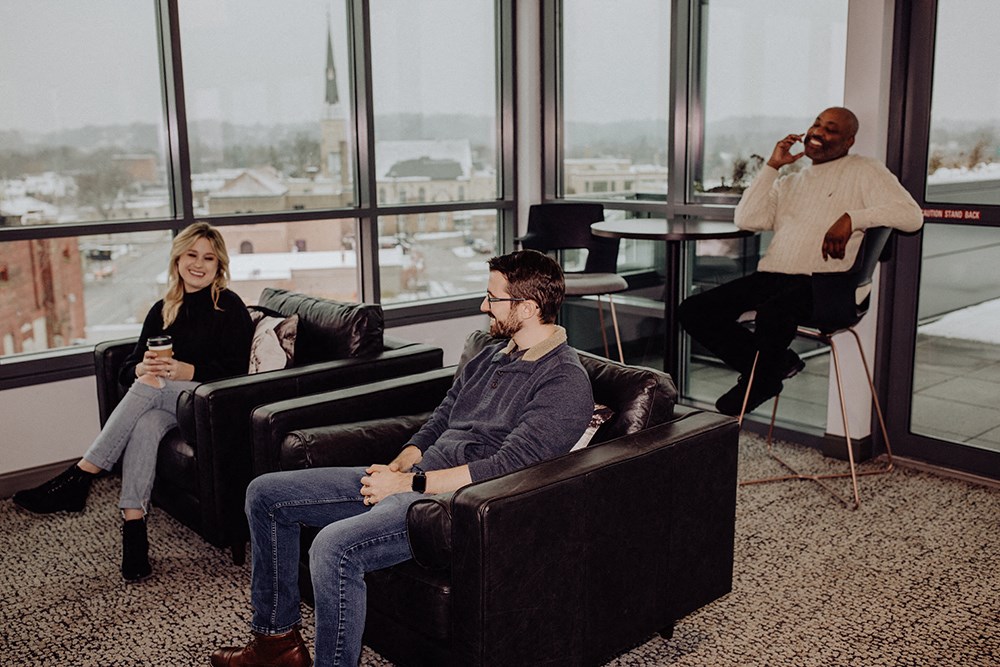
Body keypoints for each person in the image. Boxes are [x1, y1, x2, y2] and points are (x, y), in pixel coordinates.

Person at [210, 249, 595, 667]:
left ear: (528, 306)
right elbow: (444, 415)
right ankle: (276, 645)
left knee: (332, 547)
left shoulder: (563, 381)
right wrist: (403, 460)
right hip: (417, 478)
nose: (483, 306)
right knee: (265, 494)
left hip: (451, 507)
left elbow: (509, 469)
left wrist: (409, 484)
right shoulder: (491, 354)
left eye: (492, 298)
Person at [13, 222, 253, 582]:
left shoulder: (229, 307)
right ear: (178, 258)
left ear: (219, 265)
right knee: (147, 420)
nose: (199, 264)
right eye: (192, 255)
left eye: (209, 257)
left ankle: (81, 475)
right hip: (165, 401)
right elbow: (128, 369)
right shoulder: (163, 309)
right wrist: (140, 365)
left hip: (207, 403)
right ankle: (134, 531)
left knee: (153, 384)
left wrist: (190, 370)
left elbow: (239, 375)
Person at [678, 107, 923, 416]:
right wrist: (772, 167)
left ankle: (762, 379)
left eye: (831, 129)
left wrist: (853, 218)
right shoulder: (791, 181)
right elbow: (748, 218)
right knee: (694, 310)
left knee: (774, 312)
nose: (818, 132)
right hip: (774, 276)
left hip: (829, 283)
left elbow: (912, 216)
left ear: (849, 141)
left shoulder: (864, 170)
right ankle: (775, 368)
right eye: (816, 124)